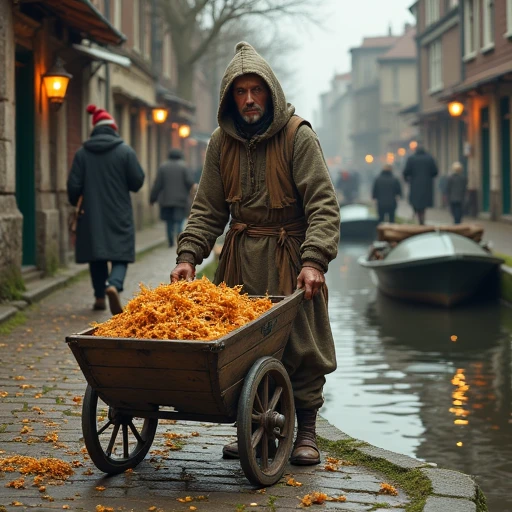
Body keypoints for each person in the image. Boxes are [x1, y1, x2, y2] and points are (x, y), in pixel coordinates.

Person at [170, 42, 340, 466]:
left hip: (290, 256)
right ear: (230, 97)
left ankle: (307, 433)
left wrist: (314, 261)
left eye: (256, 90)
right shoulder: (219, 143)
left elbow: (323, 204)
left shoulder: (298, 135)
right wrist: (189, 255)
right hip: (240, 259)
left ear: (271, 93)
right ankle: (255, 429)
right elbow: (207, 208)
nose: (249, 99)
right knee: (238, 349)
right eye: (240, 91)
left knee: (300, 345)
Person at [67, 104, 145, 315]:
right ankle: (114, 284)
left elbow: (73, 187)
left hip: (91, 215)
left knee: (97, 255)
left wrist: (76, 200)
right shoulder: (125, 151)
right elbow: (137, 181)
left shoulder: (82, 153)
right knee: (121, 254)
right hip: (119, 212)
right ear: (113, 128)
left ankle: (100, 296)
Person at [150, 148, 195, 247]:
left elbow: (157, 185)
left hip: (166, 200)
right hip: (181, 200)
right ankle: (179, 239)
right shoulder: (184, 167)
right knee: (179, 221)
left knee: (169, 221)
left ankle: (170, 241)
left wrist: (152, 198)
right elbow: (190, 182)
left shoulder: (163, 167)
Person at [402, 144, 438, 225]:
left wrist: (408, 180)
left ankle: (417, 215)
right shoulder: (430, 158)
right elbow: (435, 172)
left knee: (416, 202)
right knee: (423, 204)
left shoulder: (411, 159)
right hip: (427, 186)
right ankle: (421, 218)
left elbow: (405, 172)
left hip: (415, 185)